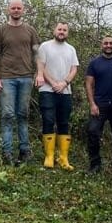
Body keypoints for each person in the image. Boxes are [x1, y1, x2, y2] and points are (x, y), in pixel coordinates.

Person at [0, 0, 41, 166]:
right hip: (6, 78)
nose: (16, 10)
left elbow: (36, 54)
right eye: (13, 8)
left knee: (23, 115)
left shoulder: (30, 30)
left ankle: (24, 151)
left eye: (19, 8)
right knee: (7, 115)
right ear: (8, 9)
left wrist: (39, 73)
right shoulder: (1, 31)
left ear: (23, 10)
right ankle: (7, 153)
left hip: (26, 77)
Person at [37, 22, 79, 170]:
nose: (61, 32)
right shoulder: (45, 46)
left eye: (64, 30)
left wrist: (64, 83)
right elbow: (41, 67)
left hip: (65, 91)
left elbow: (74, 69)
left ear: (68, 33)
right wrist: (54, 83)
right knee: (48, 120)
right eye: (59, 29)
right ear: (54, 30)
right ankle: (49, 156)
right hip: (47, 90)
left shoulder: (71, 49)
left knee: (64, 122)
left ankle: (63, 158)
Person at [84, 35, 112, 183]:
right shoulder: (94, 63)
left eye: (111, 43)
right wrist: (92, 104)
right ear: (101, 45)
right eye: (106, 43)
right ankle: (95, 165)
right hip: (99, 106)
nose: (108, 45)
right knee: (93, 133)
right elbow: (89, 84)